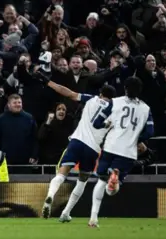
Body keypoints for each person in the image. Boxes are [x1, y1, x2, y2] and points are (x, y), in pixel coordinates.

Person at [40, 77, 116, 221]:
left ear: (100, 93)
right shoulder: (114, 111)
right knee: (82, 181)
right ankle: (65, 213)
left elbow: (67, 93)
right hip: (93, 149)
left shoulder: (91, 99)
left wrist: (49, 82)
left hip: (77, 141)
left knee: (61, 174)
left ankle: (50, 195)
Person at [89, 77, 153, 227]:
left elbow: (97, 123)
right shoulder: (146, 109)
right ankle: (115, 179)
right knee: (111, 191)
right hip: (128, 152)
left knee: (100, 181)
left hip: (110, 147)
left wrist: (107, 124)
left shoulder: (114, 102)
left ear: (125, 88)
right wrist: (136, 138)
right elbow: (150, 131)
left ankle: (93, 218)